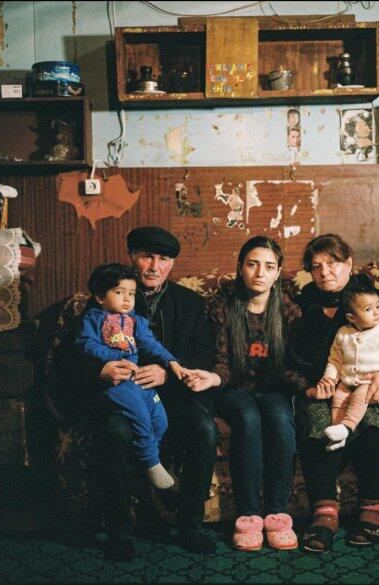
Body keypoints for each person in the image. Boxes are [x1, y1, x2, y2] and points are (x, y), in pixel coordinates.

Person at [288, 233, 379, 553]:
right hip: (325, 388)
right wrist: (313, 385)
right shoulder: (302, 306)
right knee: (316, 424)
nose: (325, 272)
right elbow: (291, 359)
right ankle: (324, 512)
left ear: (349, 263)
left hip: (371, 383)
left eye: (333, 263)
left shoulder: (375, 301)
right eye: (316, 266)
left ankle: (372, 506)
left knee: (373, 424)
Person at [94, 227, 219, 560]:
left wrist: (167, 374)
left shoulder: (190, 303)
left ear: (171, 264)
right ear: (132, 258)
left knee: (203, 428)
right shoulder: (109, 296)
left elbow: (205, 354)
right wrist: (101, 370)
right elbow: (76, 352)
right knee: (115, 431)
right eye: (147, 256)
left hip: (174, 396)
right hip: (124, 398)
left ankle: (190, 526)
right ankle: (120, 532)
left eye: (163, 259)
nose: (154, 266)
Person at [180, 236, 301, 552]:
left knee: (281, 417)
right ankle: (248, 515)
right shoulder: (222, 306)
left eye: (269, 267)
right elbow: (221, 361)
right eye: (252, 264)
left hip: (273, 388)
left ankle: (277, 513)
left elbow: (292, 366)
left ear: (278, 273)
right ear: (240, 267)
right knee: (248, 417)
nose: (260, 273)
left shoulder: (288, 310)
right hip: (231, 388)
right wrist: (213, 378)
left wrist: (310, 386)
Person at [75, 263, 184, 491]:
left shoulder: (136, 321)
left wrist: (170, 360)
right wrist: (114, 356)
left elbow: (150, 343)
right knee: (141, 417)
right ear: (100, 297)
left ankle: (149, 462)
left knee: (160, 418)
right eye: (119, 292)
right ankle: (151, 462)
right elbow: (86, 344)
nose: (127, 299)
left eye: (132, 293)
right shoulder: (93, 319)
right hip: (117, 382)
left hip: (136, 376)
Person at [318, 283, 379, 451]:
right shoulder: (343, 333)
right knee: (338, 397)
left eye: (378, 307)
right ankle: (338, 430)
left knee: (360, 396)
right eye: (368, 309)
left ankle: (347, 427)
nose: (376, 312)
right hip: (347, 381)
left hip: (369, 381)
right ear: (352, 318)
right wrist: (329, 378)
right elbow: (335, 360)